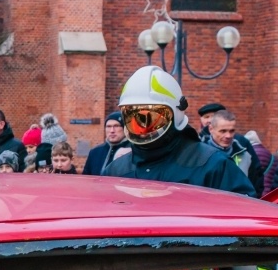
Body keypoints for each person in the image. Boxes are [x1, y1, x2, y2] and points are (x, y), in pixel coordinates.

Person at [103, 65, 255, 197]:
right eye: (133, 117)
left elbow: (244, 216)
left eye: (152, 117)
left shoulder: (212, 164)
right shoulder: (116, 170)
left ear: (175, 114)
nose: (143, 127)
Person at [204, 110, 263, 196]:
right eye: (223, 131)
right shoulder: (199, 153)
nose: (228, 136)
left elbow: (256, 182)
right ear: (211, 129)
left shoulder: (245, 152)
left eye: (232, 131)